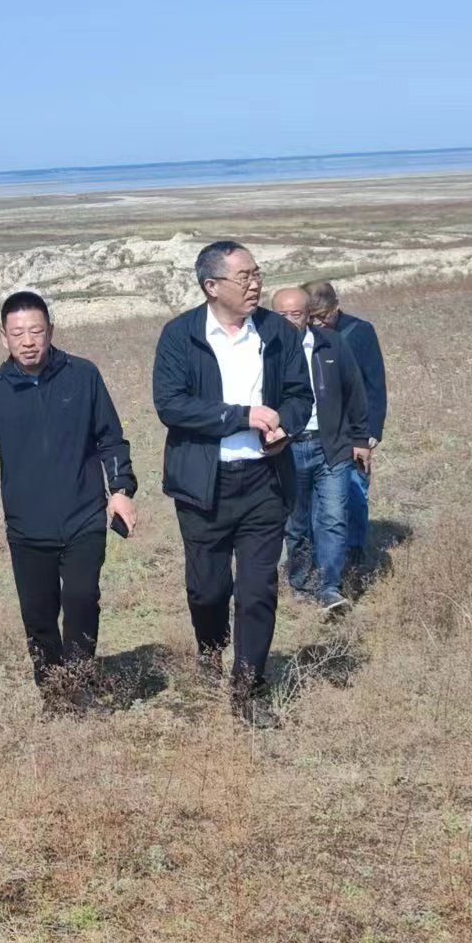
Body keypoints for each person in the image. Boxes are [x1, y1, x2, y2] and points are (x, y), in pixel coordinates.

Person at [152, 242, 311, 723]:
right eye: (244, 277)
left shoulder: (277, 332)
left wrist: (286, 427)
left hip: (265, 480)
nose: (255, 284)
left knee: (258, 590)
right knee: (208, 589)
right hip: (204, 484)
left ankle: (248, 690)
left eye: (257, 274)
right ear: (211, 286)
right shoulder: (180, 335)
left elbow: (300, 396)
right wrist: (242, 416)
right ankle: (210, 649)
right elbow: (171, 405)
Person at [0, 291, 138, 708]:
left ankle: (79, 680)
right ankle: (54, 690)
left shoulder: (83, 376)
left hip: (83, 515)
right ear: (3, 337)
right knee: (39, 614)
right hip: (28, 525)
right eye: (18, 333)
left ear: (51, 331)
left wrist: (121, 491)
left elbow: (111, 439)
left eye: (36, 331)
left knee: (81, 598)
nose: (28, 341)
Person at [270, 287, 370, 616]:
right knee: (296, 523)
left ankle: (330, 587)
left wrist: (360, 439)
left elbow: (355, 391)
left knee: (334, 517)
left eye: (295, 314)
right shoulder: (264, 349)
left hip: (332, 445)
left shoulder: (332, 344)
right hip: (288, 448)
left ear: (308, 315)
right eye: (281, 315)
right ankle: (301, 583)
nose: (288, 321)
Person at [302, 280, 387, 571]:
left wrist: (371, 431)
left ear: (336, 306)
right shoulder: (301, 334)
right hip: (319, 429)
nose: (317, 323)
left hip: (354, 429)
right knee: (317, 497)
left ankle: (354, 552)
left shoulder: (359, 331)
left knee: (354, 490)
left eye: (323, 316)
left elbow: (375, 384)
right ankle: (318, 556)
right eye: (311, 316)